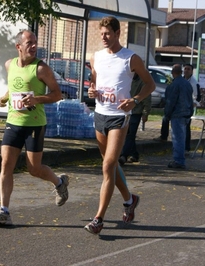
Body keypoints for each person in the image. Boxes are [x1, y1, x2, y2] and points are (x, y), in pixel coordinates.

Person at [0, 30, 69, 226]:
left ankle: (60, 183)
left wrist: (36, 99)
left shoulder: (41, 69)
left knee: (34, 168)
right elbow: (15, 86)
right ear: (19, 47)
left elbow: (58, 94)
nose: (34, 46)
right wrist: (5, 97)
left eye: (35, 43)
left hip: (34, 124)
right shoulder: (9, 65)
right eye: (29, 43)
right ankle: (4, 210)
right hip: (13, 122)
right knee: (6, 164)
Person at [85, 16, 155, 235]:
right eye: (102, 34)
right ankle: (129, 199)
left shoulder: (130, 58)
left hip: (119, 117)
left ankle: (98, 219)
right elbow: (94, 82)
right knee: (112, 166)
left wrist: (134, 100)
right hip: (100, 114)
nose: (104, 38)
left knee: (108, 166)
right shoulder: (96, 57)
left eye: (108, 34)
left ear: (117, 34)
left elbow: (150, 84)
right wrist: (92, 91)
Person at [165, 64, 194, 169]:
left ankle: (179, 160)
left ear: (173, 73)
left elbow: (170, 101)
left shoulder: (174, 85)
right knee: (182, 137)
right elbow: (191, 100)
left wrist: (167, 115)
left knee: (177, 139)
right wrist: (190, 112)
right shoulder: (187, 84)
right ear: (181, 72)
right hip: (186, 113)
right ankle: (179, 159)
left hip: (177, 114)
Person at [119, 73, 152, 165]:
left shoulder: (142, 82)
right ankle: (134, 155)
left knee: (130, 134)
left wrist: (145, 113)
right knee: (127, 134)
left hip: (135, 112)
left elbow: (146, 98)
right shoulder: (126, 79)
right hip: (125, 111)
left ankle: (123, 156)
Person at [182, 63, 201, 152]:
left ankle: (186, 147)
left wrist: (193, 103)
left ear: (192, 71)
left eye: (188, 69)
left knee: (186, 126)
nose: (186, 70)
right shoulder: (181, 79)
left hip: (188, 107)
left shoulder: (194, 82)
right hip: (180, 106)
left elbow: (198, 97)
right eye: (185, 68)